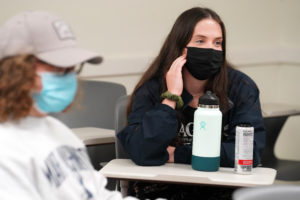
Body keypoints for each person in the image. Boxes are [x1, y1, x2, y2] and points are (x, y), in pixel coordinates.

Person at [117, 7, 265, 199]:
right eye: (200, 41)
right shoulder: (152, 89)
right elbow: (142, 152)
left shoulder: (241, 87)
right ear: (180, 47)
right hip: (162, 189)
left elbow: (248, 152)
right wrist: (171, 97)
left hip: (222, 190)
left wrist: (177, 155)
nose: (210, 49)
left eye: (217, 43)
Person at [0, 11, 137, 200]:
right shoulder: (7, 149)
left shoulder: (58, 132)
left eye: (72, 68)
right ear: (16, 70)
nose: (70, 76)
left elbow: (96, 195)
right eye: (58, 68)